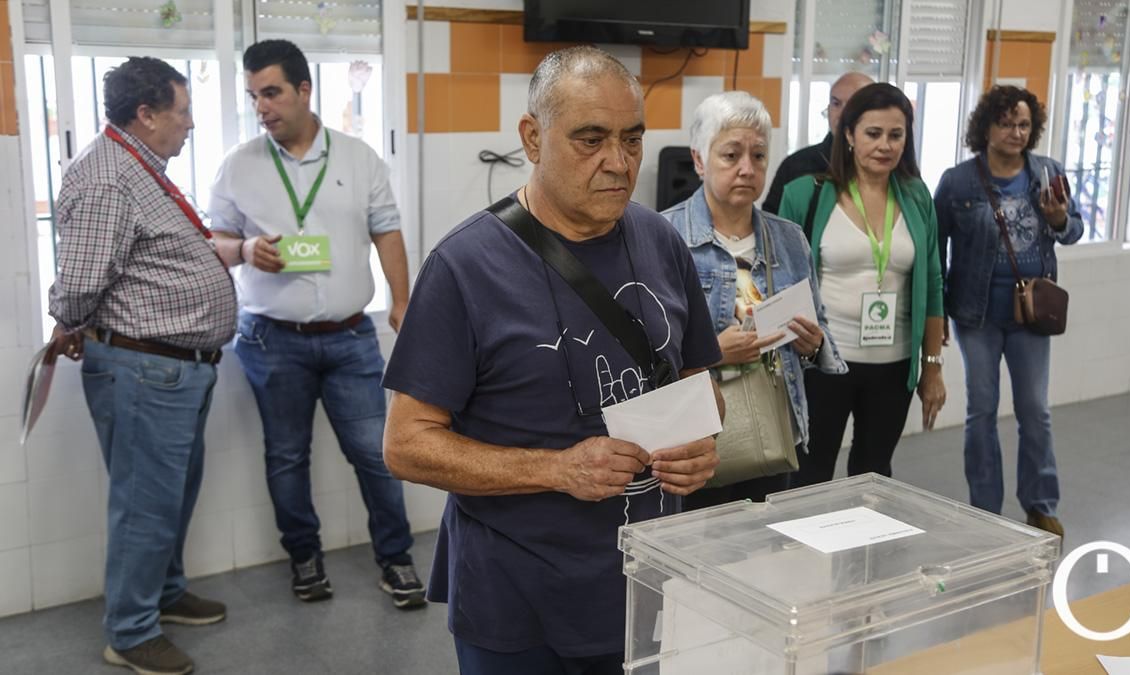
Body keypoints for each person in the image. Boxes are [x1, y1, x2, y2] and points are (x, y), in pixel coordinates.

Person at [381, 46, 722, 674]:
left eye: (632, 140)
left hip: (648, 579)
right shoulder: (464, 266)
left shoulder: (660, 240)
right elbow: (406, 444)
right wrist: (557, 470)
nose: (618, 163)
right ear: (533, 138)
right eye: (590, 140)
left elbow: (701, 375)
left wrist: (702, 437)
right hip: (517, 599)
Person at [208, 39, 425, 609]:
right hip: (271, 340)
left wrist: (402, 301)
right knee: (286, 455)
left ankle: (396, 560)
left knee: (376, 453)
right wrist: (247, 248)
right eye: (254, 96)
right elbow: (215, 241)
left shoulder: (358, 159)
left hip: (351, 337)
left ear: (305, 90)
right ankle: (304, 558)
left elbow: (387, 231)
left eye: (272, 92)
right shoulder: (239, 166)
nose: (262, 106)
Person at [47, 57, 236, 675]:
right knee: (145, 504)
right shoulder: (108, 177)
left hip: (175, 367)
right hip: (142, 369)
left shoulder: (139, 168)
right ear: (146, 114)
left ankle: (164, 592)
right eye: (182, 114)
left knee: (171, 496)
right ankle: (129, 632)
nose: (188, 126)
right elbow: (77, 285)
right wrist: (70, 321)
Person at [662, 91, 847, 509]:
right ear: (699, 160)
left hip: (772, 429)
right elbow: (644, 359)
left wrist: (813, 344)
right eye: (731, 155)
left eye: (759, 156)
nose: (747, 169)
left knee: (761, 555)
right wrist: (711, 355)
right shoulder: (662, 236)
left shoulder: (788, 238)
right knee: (690, 558)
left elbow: (823, 339)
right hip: (693, 439)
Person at [779, 83, 947, 488]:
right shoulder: (806, 194)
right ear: (849, 134)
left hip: (894, 364)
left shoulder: (917, 195)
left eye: (896, 134)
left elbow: (933, 282)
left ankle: (863, 553)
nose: (885, 145)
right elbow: (781, 284)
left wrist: (932, 368)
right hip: (822, 363)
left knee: (874, 479)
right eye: (873, 133)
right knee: (809, 477)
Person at [933, 86, 1082, 536]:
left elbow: (1073, 230)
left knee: (1035, 410)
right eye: (1005, 123)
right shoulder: (958, 181)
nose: (1016, 132)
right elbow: (934, 250)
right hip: (976, 314)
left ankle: (1040, 505)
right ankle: (985, 508)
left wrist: (1058, 219)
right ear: (986, 127)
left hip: (1031, 314)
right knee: (982, 410)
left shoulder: (1047, 172)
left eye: (1023, 124)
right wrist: (936, 317)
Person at [762, 71, 873, 215]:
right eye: (836, 103)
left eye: (853, 104)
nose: (842, 113)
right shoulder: (797, 166)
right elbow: (770, 225)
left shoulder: (886, 164)